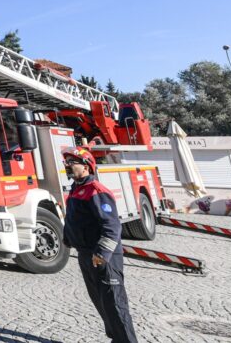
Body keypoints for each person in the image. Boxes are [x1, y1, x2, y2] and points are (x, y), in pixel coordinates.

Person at [62, 147, 139, 343]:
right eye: (67, 162)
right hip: (86, 255)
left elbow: (112, 226)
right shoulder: (76, 189)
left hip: (104, 257)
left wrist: (102, 253)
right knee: (101, 302)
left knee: (115, 303)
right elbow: (73, 218)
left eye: (72, 162)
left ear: (86, 167)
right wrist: (67, 238)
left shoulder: (96, 190)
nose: (68, 165)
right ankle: (116, 338)